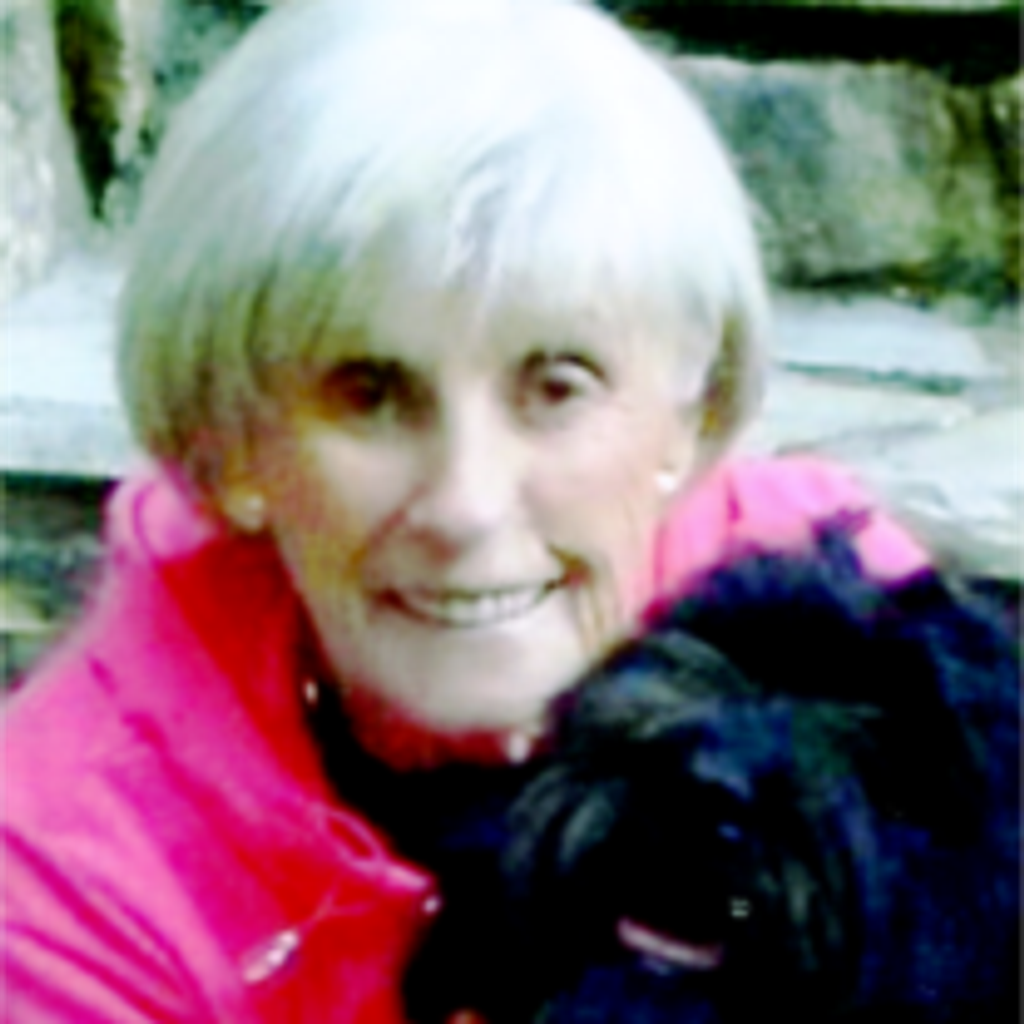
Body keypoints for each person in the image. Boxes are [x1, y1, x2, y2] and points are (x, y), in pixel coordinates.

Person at [0, 0, 929, 1020]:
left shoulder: (843, 633)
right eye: (368, 393)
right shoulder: (66, 868)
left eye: (557, 386)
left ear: (689, 415)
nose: (466, 504)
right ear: (228, 447)